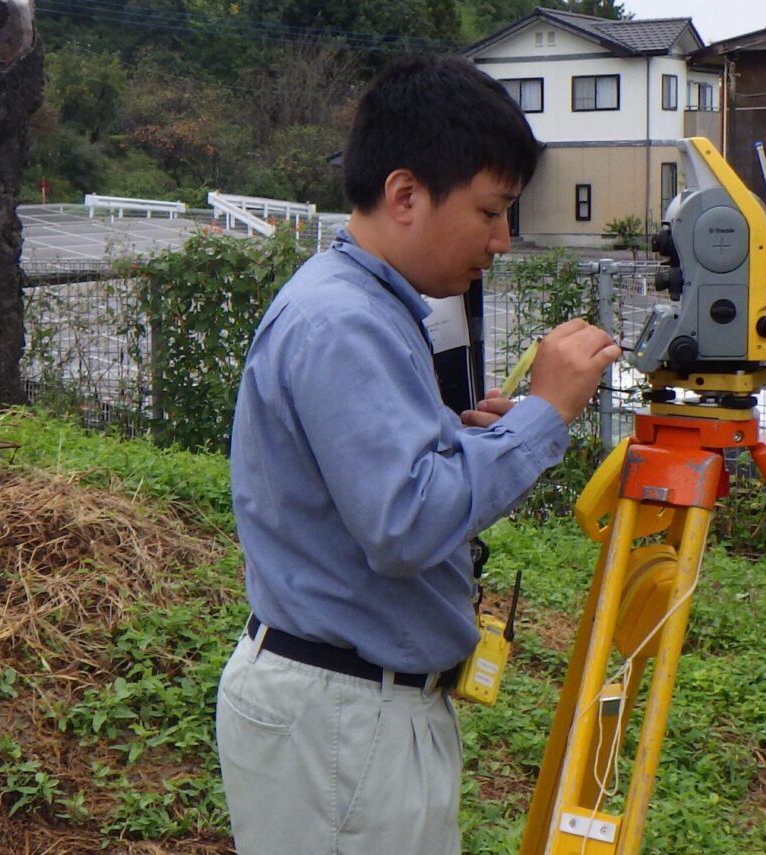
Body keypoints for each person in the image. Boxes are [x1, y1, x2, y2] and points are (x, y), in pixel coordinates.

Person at [214, 52, 621, 855]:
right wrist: (543, 414)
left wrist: (468, 440)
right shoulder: (345, 322)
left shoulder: (363, 304)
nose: (502, 240)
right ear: (405, 195)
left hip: (351, 713)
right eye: (491, 211)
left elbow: (374, 484)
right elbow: (404, 522)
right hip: (343, 724)